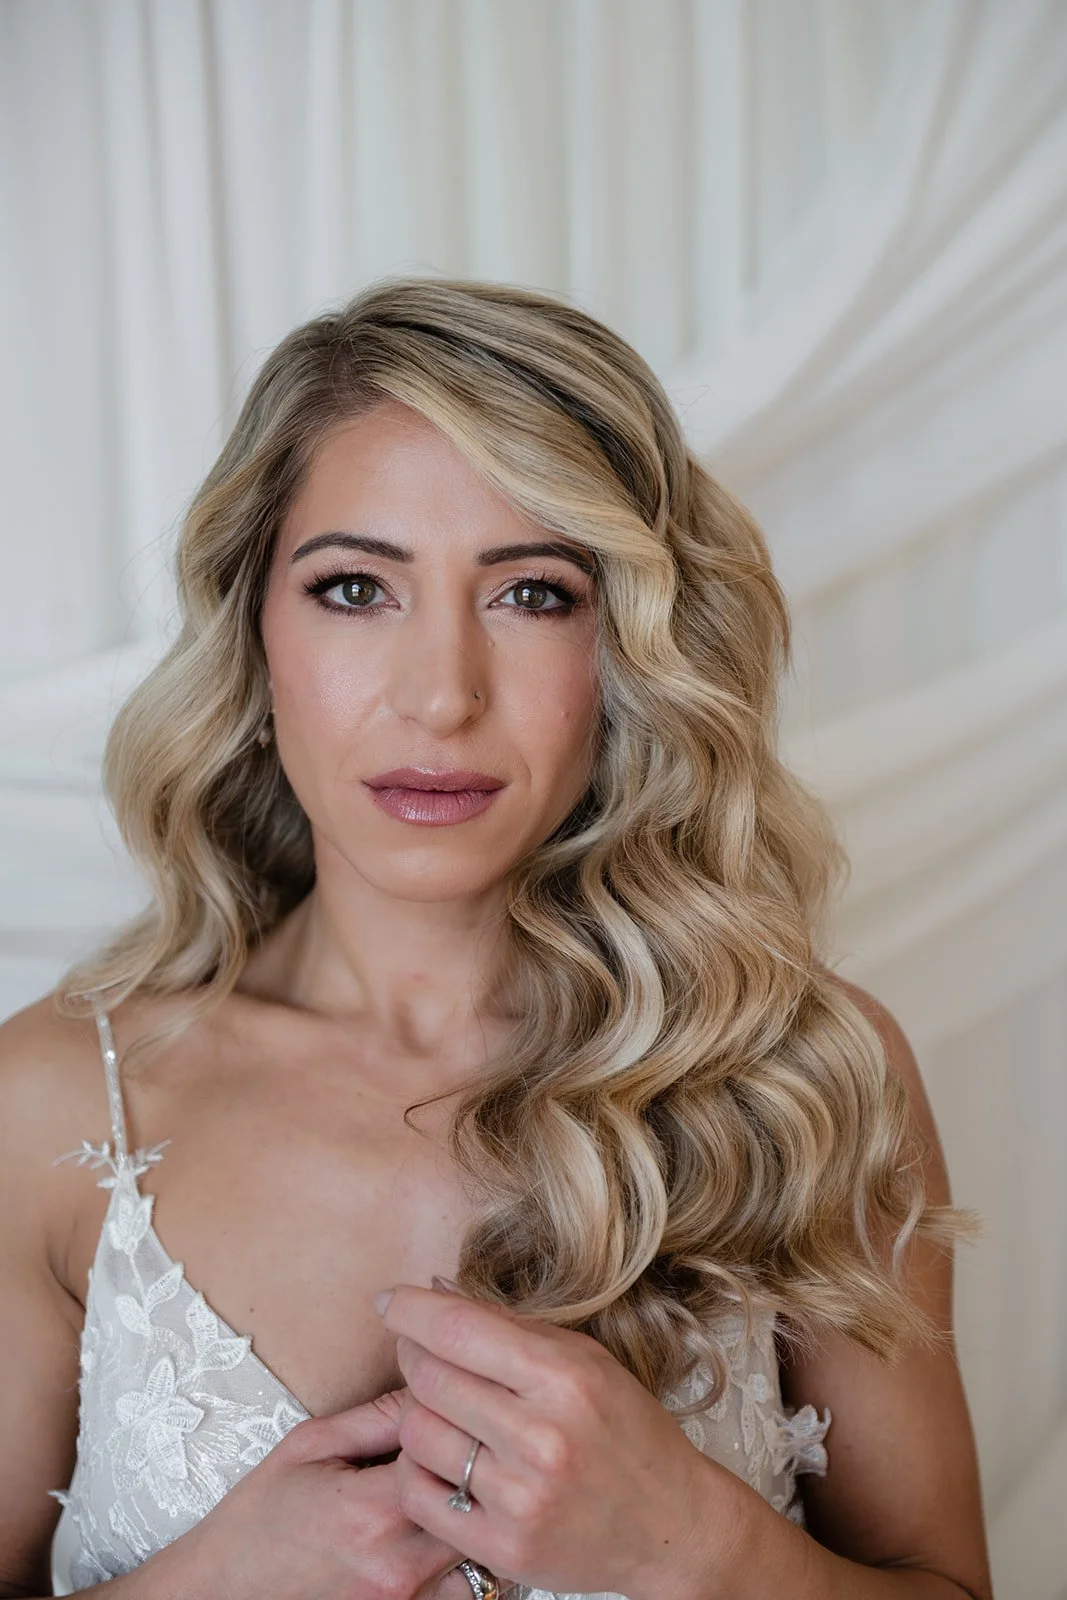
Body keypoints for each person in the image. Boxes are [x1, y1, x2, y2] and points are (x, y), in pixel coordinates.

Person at [0, 278, 992, 1600]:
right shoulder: (58, 1104)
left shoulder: (801, 1078)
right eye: (356, 587)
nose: (441, 696)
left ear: (630, 644)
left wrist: (700, 1544)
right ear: (253, 628)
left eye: (531, 594)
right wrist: (214, 1582)